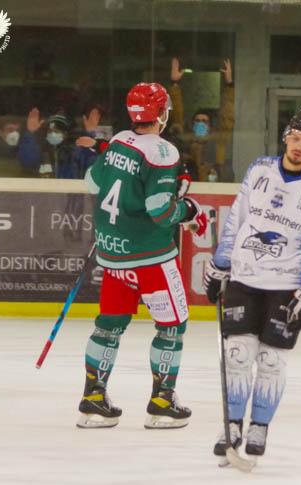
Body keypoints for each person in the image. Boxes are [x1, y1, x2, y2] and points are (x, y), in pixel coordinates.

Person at [205, 108, 301, 461]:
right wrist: (221, 264)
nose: (299, 147)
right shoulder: (259, 169)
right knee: (237, 355)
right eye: (295, 139)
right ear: (285, 137)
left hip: (287, 286)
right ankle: (232, 424)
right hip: (244, 277)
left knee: (271, 361)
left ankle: (259, 426)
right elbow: (237, 217)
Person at [77, 82, 207, 429]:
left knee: (108, 326)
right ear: (161, 113)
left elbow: (92, 183)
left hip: (114, 257)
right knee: (172, 327)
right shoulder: (163, 152)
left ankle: (93, 401)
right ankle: (162, 403)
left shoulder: (118, 141)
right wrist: (189, 210)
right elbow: (160, 210)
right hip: (151, 259)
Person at [168, 57, 235, 182]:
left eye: (204, 121)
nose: (200, 123)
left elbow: (227, 116)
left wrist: (229, 84)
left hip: (212, 189)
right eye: (197, 120)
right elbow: (176, 114)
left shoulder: (218, 142)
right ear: (193, 124)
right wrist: (174, 84)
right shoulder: (186, 140)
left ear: (210, 125)